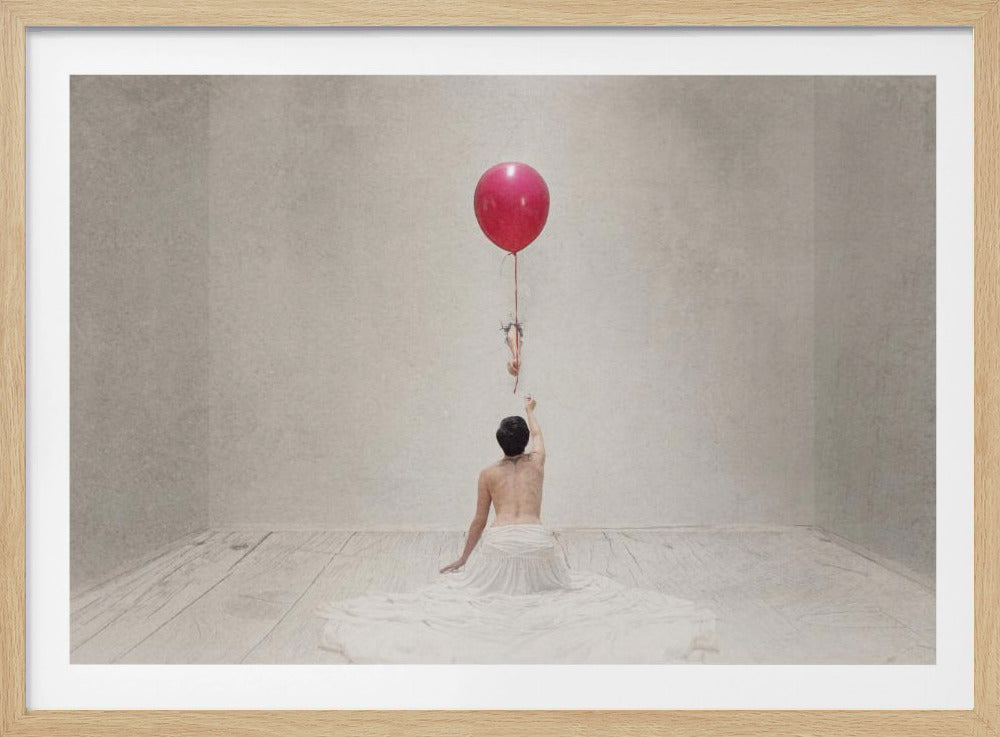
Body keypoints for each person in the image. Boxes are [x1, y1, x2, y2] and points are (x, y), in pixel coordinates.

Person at [315, 395, 720, 664]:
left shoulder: (488, 472)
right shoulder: (538, 464)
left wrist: (463, 558)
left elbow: (478, 521)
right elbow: (541, 437)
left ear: (499, 442)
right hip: (537, 543)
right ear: (524, 441)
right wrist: (531, 409)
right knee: (557, 597)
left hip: (501, 545)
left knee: (477, 600)